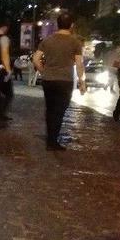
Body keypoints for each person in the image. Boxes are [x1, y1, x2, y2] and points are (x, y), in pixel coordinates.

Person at [32, 13, 86, 151]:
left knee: (50, 109)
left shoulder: (47, 40)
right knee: (60, 111)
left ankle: (51, 139)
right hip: (65, 80)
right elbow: (79, 64)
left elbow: (36, 59)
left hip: (48, 80)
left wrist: (44, 72)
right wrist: (82, 82)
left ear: (57, 24)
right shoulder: (75, 42)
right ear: (72, 25)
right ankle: (52, 141)